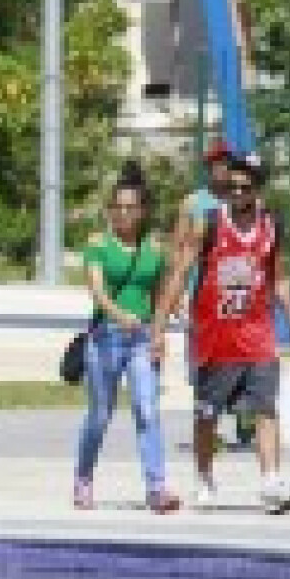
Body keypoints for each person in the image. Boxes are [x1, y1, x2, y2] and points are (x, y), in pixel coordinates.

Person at [151, 152, 290, 514]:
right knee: (207, 415)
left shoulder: (272, 226)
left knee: (265, 410)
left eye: (244, 188)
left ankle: (270, 482)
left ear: (257, 189)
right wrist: (160, 326)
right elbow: (179, 272)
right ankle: (204, 478)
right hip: (214, 338)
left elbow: (278, 279)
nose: (236, 193)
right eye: (230, 187)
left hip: (257, 334)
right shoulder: (209, 224)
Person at [74, 161, 181, 514]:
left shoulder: (154, 246)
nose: (122, 214)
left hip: (141, 339)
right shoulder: (98, 244)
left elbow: (164, 292)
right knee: (101, 414)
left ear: (143, 210)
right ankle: (84, 477)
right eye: (116, 207)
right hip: (106, 338)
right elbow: (98, 293)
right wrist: (121, 316)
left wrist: (160, 331)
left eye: (130, 207)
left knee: (147, 409)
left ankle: (156, 487)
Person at [174, 139, 256, 449]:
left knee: (241, 356)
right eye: (215, 163)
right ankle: (208, 425)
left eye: (226, 163)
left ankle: (244, 417)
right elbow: (179, 248)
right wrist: (177, 292)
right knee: (203, 363)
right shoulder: (194, 203)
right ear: (208, 167)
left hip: (238, 295)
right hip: (203, 296)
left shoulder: (244, 200)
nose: (221, 169)